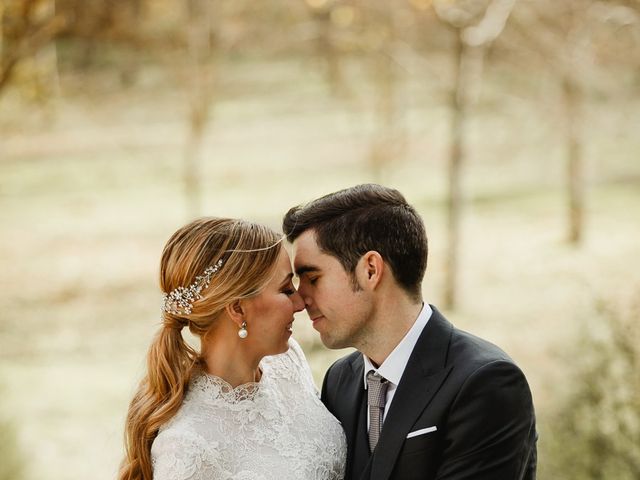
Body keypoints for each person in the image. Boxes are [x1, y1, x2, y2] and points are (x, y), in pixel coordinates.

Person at [283, 184, 537, 480]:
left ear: (370, 270)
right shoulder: (339, 381)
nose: (300, 299)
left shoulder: (486, 382)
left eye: (313, 278)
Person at [119, 217, 346, 480]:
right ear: (237, 309)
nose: (300, 302)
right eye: (285, 290)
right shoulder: (187, 447)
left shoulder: (287, 362)